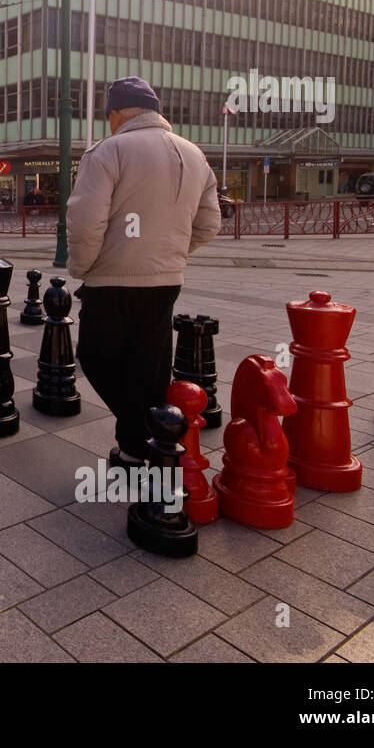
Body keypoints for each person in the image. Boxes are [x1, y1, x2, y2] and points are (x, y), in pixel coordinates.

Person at [66, 77, 222, 470]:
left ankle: (140, 430)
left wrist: (82, 267)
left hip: (112, 280)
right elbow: (208, 224)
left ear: (116, 113)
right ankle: (138, 447)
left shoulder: (107, 151)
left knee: (97, 357)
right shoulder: (195, 154)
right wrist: (168, 252)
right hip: (166, 280)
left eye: (110, 117)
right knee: (146, 365)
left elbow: (86, 221)